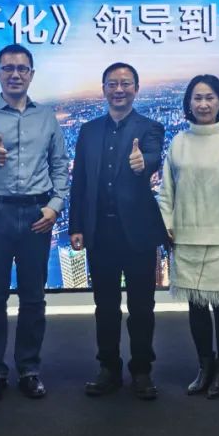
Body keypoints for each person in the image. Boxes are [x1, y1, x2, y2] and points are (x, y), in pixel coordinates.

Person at [0, 44, 69, 402]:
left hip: (37, 214)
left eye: (22, 68)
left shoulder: (47, 117)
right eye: (8, 68)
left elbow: (60, 165)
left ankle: (29, 368)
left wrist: (55, 206)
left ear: (31, 74)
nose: (15, 74)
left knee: (33, 296)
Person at [69, 62, 166, 400]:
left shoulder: (150, 127)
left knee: (142, 306)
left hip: (137, 232)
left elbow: (152, 157)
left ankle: (141, 370)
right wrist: (76, 225)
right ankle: (108, 368)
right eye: (113, 83)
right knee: (105, 306)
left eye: (126, 83)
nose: (119, 89)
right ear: (104, 89)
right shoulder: (88, 131)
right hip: (100, 232)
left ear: (136, 89)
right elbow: (80, 181)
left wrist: (143, 164)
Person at [157, 74, 219, 399]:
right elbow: (166, 189)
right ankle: (204, 366)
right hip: (186, 235)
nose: (204, 104)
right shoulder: (179, 141)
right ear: (188, 103)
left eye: (210, 97)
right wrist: (167, 223)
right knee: (196, 308)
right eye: (197, 98)